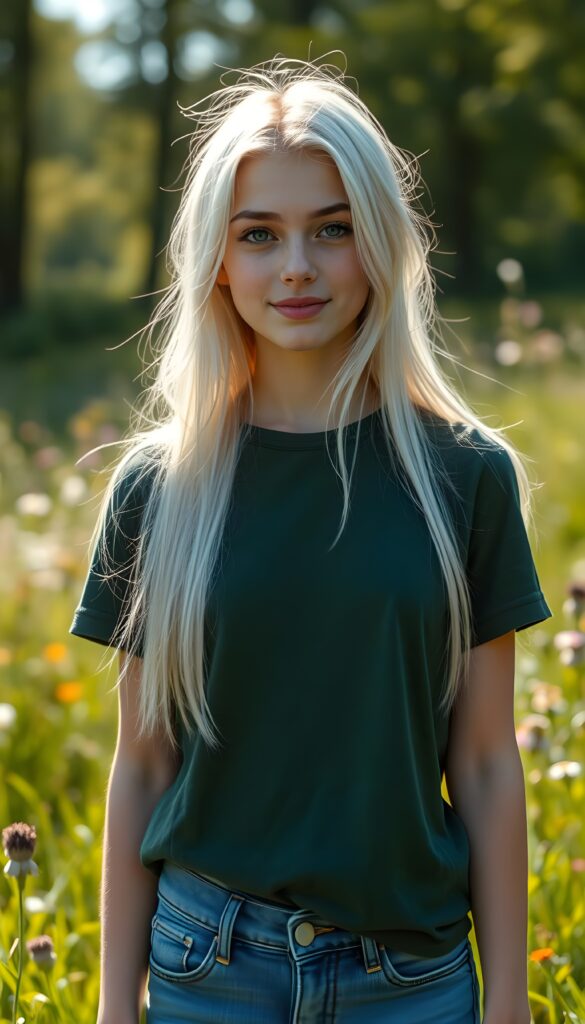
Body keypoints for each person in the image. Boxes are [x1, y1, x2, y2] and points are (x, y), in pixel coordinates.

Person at [69, 54, 552, 1024]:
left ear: (380, 242)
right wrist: (114, 1007)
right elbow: (145, 764)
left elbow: (490, 763)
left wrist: (509, 1003)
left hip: (411, 978)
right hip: (210, 969)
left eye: (332, 229)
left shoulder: (465, 475)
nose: (296, 266)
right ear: (216, 256)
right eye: (260, 235)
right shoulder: (160, 489)